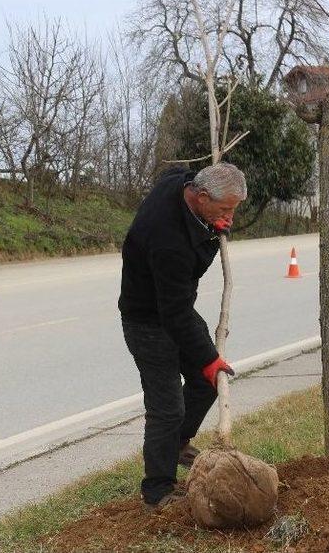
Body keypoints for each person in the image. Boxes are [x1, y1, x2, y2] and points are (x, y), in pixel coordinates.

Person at [118, 162, 247, 509]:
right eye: (225, 210)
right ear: (201, 197)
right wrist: (212, 238)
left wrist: (213, 219)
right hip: (148, 321)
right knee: (167, 408)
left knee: (210, 379)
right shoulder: (168, 240)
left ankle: (176, 444)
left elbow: (176, 167)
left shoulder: (179, 182)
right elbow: (174, 310)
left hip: (174, 311)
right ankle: (157, 490)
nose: (230, 218)